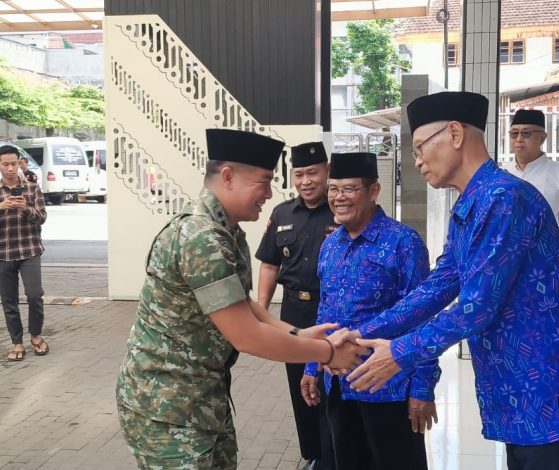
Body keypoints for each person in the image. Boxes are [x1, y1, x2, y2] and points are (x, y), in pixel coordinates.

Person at [334, 92, 559, 470]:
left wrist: (399, 353)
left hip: (549, 388)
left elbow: (476, 307)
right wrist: (359, 333)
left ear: (454, 134)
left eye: (420, 147)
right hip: (518, 387)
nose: (417, 161)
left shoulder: (504, 197)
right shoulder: (472, 203)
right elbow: (438, 285)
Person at [115, 129, 365, 470]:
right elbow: (246, 336)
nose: (269, 193)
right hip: (167, 406)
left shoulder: (225, 230)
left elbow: (243, 305)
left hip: (201, 399)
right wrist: (329, 353)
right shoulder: (201, 237)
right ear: (228, 176)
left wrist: (297, 333)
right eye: (264, 181)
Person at [300, 152, 439, 470]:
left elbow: (423, 318)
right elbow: (325, 310)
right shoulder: (330, 245)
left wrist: (422, 387)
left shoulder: (403, 242)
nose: (338, 197)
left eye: (349, 189)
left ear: (373, 191)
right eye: (333, 189)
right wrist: (312, 365)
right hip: (338, 385)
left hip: (389, 386)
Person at [255, 142, 337, 470]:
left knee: (331, 385)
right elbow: (269, 265)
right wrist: (261, 311)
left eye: (312, 173)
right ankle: (313, 453)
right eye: (299, 174)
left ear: (327, 171)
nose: (306, 181)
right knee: (299, 385)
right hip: (294, 313)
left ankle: (333, 454)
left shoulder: (341, 209)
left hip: (331, 313)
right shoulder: (282, 214)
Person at [503, 109, 559, 286]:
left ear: (542, 138)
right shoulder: (502, 174)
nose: (519, 139)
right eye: (514, 133)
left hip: (547, 268)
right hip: (506, 269)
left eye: (526, 133)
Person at [0, 145, 48, 362]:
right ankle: (17, 342)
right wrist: (2, 206)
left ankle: (36, 336)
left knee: (35, 295)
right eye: (5, 164)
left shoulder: (32, 188)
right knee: (8, 300)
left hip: (30, 249)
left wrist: (24, 208)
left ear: (19, 163)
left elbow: (42, 217)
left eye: (14, 163)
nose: (10, 168)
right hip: (3, 252)